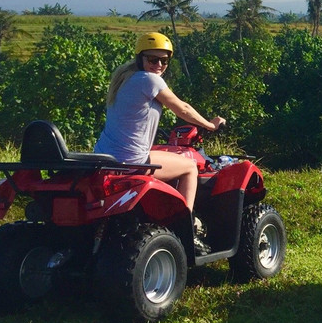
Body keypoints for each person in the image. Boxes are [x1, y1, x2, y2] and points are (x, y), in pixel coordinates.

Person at [94, 32, 225, 211]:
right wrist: (210, 125)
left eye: (164, 61)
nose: (159, 65)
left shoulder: (124, 78)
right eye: (152, 60)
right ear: (140, 58)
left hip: (105, 157)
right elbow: (183, 109)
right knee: (190, 167)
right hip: (132, 161)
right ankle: (184, 224)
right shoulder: (149, 79)